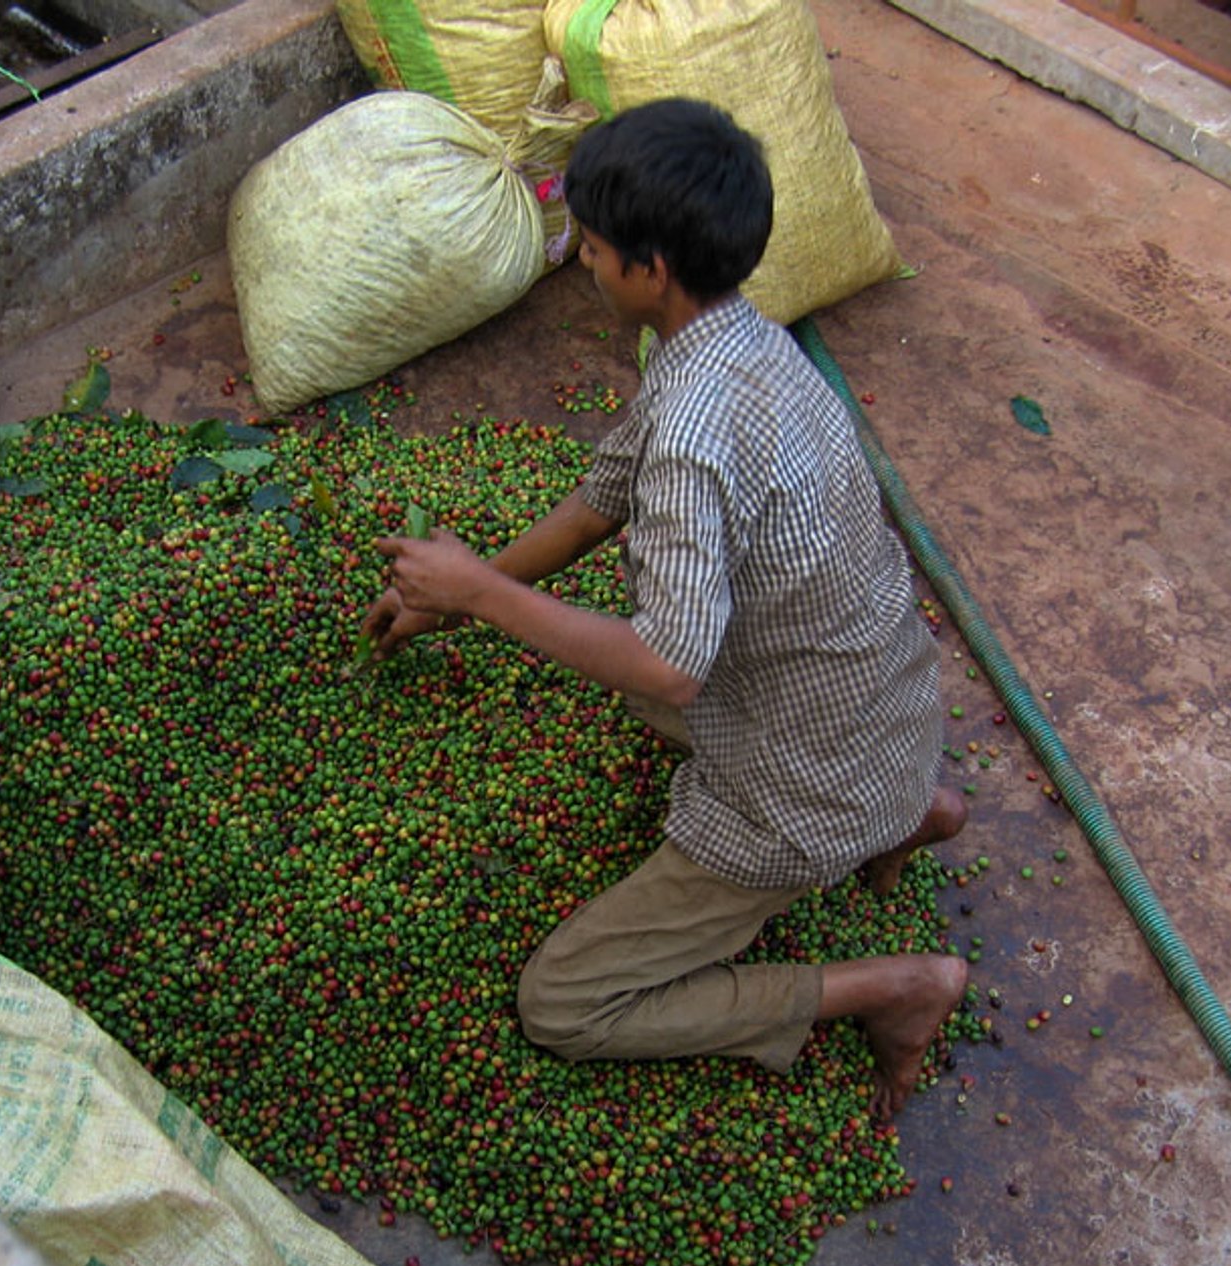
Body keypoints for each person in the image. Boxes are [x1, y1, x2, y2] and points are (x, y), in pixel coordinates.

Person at [362, 98, 968, 1120]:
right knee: (647, 697)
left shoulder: (694, 428)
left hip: (794, 787)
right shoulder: (747, 345)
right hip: (881, 717)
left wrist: (481, 593)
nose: (585, 268)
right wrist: (456, 604)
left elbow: (669, 666)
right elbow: (600, 502)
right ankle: (914, 814)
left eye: (593, 251)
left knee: (562, 1003)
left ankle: (894, 988)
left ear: (650, 268)